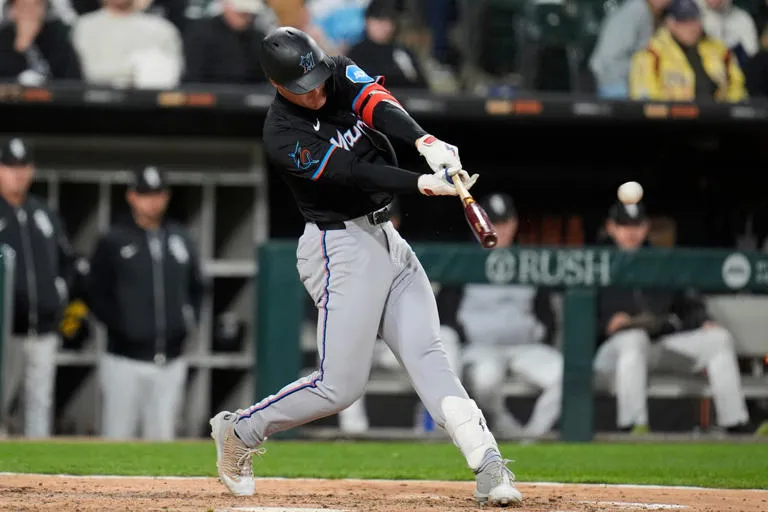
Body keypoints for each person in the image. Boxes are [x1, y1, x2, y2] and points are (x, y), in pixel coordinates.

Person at [208, 27, 522, 507]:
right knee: (339, 388)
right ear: (276, 86)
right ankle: (241, 431)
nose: (314, 93)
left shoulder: (332, 72)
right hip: (339, 248)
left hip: (386, 240)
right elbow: (353, 172)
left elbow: (375, 101)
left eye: (315, 80)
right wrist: (421, 185)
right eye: (301, 88)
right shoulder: (282, 135)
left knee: (429, 355)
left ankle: (488, 464)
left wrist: (425, 140)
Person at [593, 200, 761, 435]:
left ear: (646, 227)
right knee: (633, 339)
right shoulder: (595, 262)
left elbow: (688, 303)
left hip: (655, 345)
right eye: (623, 225)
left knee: (719, 339)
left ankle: (734, 423)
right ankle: (633, 425)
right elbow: (579, 316)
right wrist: (605, 324)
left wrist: (702, 321)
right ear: (611, 227)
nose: (630, 232)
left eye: (636, 225)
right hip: (613, 353)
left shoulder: (662, 263)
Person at [86, 166, 205, 440]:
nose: (152, 200)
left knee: (162, 442)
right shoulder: (114, 239)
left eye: (158, 193)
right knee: (117, 438)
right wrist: (122, 325)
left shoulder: (180, 238)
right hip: (124, 359)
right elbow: (95, 292)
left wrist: (187, 322)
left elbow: (198, 287)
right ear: (131, 196)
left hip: (171, 359)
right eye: (145, 193)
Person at [457, 193, 561, 440]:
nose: (498, 229)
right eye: (491, 222)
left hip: (524, 349)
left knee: (567, 376)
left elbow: (547, 316)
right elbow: (447, 317)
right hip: (481, 349)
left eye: (503, 222)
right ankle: (503, 424)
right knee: (485, 381)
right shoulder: (461, 261)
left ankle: (532, 437)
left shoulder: (530, 262)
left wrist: (540, 338)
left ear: (514, 224)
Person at [0, 137, 75, 438]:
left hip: (43, 329)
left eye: (24, 166)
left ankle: (36, 483)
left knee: (40, 406)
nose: (18, 173)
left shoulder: (43, 211)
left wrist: (59, 294)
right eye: (9, 166)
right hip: (5, 334)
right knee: (1, 403)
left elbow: (66, 261)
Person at [629, 0, 746, 102]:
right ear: (671, 24)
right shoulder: (652, 54)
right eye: (684, 21)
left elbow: (737, 88)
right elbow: (645, 99)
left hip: (717, 119)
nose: (692, 27)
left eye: (695, 20)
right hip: (671, 121)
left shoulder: (719, 50)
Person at [589, 0, 672, 98]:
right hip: (615, 84)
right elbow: (608, 58)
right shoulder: (637, 9)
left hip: (629, 84)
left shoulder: (652, 12)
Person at [347, 0, 429, 90]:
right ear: (368, 21)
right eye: (381, 20)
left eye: (391, 21)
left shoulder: (402, 53)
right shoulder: (356, 54)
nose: (387, 27)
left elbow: (422, 88)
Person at [182, 0, 269, 84]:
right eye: (241, 13)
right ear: (226, 7)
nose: (247, 18)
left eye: (250, 14)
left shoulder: (258, 38)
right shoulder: (202, 33)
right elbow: (194, 73)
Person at [0, 0, 82, 85]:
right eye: (24, 6)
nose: (30, 11)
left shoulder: (57, 36)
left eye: (36, 5)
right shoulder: (3, 38)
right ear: (12, 10)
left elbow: (73, 80)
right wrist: (23, 41)